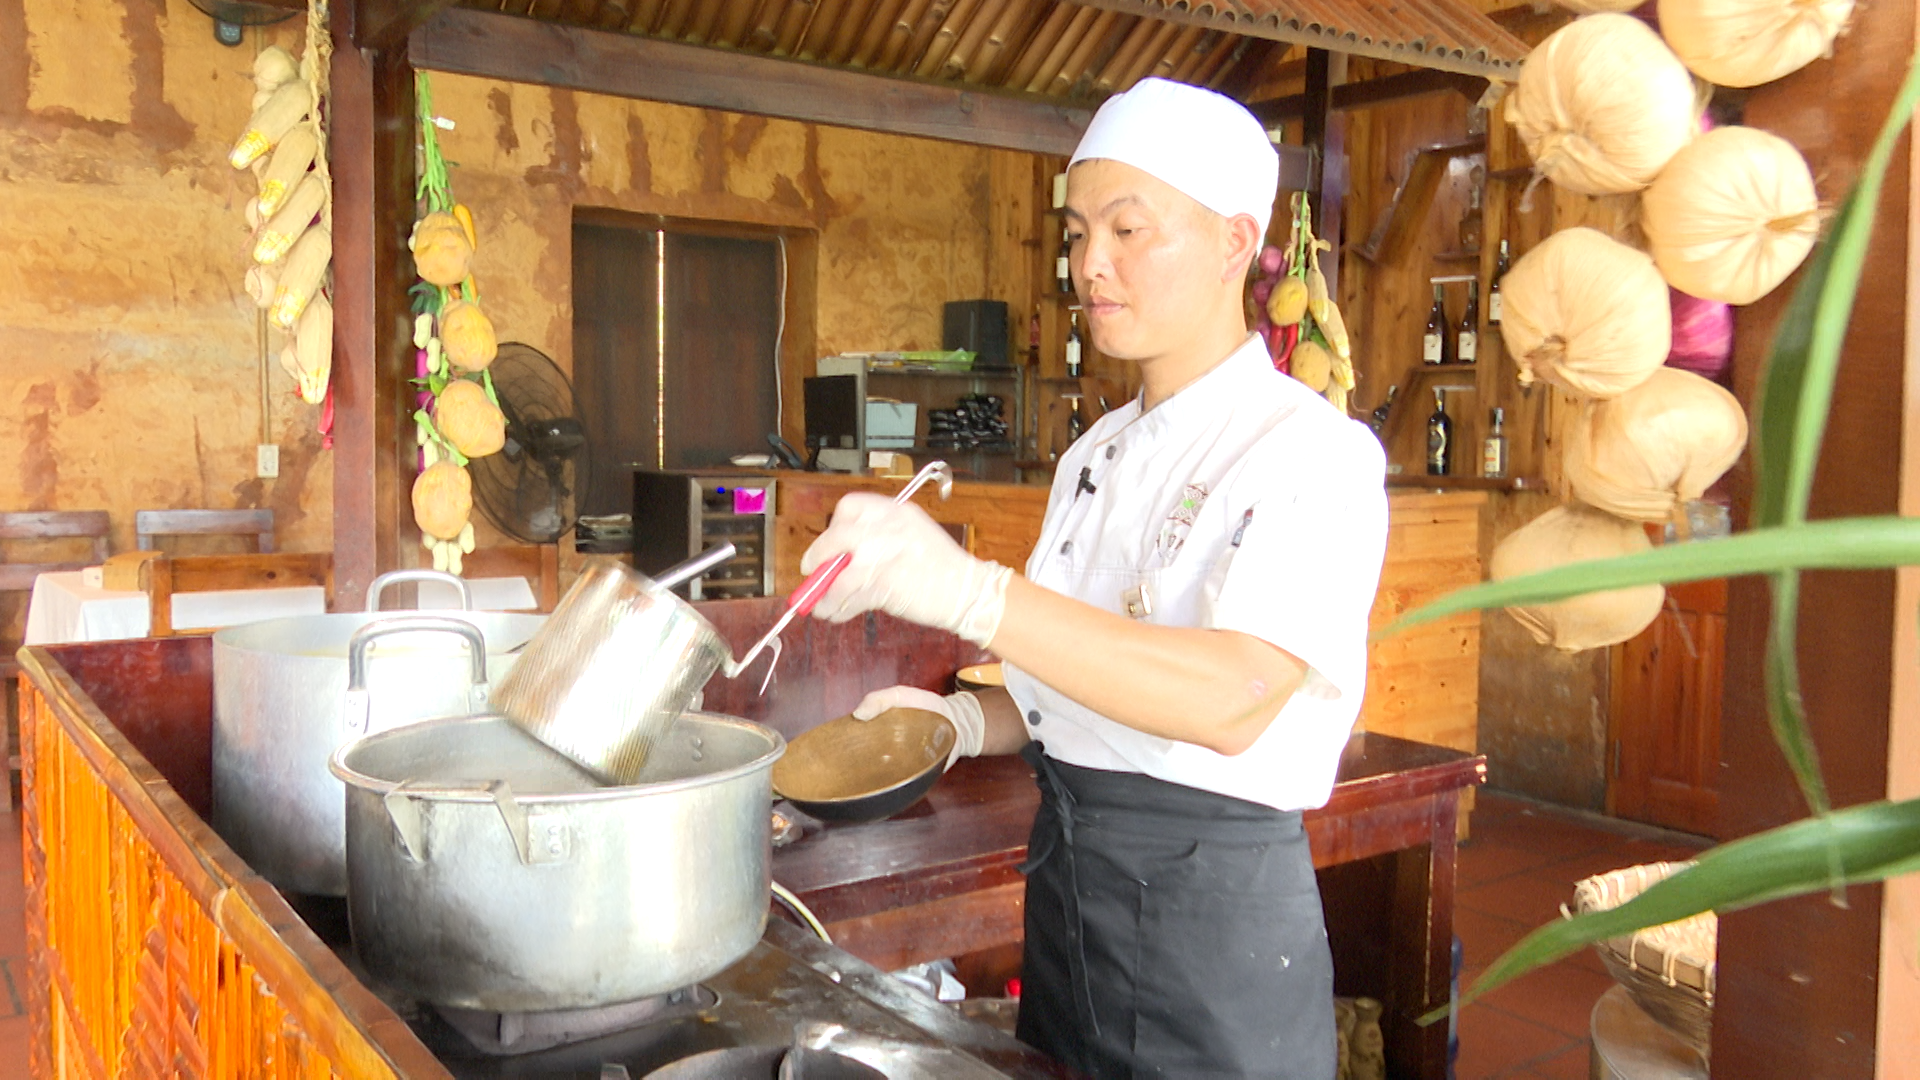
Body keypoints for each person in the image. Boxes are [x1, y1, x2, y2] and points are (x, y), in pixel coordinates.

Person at [800, 77, 1389, 1080]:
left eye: (1128, 229)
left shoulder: (1311, 452)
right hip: (1072, 887)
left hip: (1212, 909)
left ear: (1235, 243)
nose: (1090, 264)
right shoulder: (1094, 456)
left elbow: (1233, 697)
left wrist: (973, 593)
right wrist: (957, 725)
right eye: (1078, 233)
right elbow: (1064, 689)